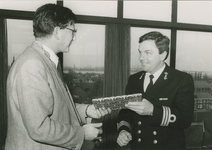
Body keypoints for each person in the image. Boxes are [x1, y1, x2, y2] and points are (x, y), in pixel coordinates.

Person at [5, 3, 111, 150]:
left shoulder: (45, 60)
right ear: (56, 32)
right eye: (72, 31)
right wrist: (82, 133)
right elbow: (39, 128)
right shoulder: (32, 65)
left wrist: (87, 110)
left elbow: (59, 108)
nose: (74, 37)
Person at [117, 31, 194, 150]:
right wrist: (123, 130)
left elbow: (185, 119)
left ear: (162, 55)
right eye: (140, 52)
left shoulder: (181, 80)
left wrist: (153, 110)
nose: (141, 58)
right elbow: (126, 112)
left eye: (148, 53)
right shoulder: (134, 79)